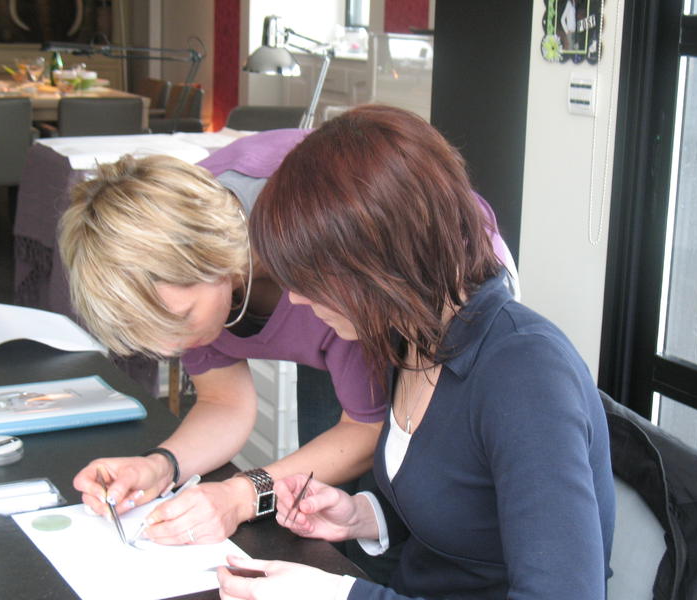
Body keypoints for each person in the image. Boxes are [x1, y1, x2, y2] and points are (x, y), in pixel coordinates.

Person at [217, 105, 615, 600]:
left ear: (382, 259)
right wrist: (361, 516)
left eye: (311, 278)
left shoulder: (526, 376)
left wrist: (338, 596)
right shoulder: (409, 340)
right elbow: (461, 514)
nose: (295, 299)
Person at [57, 127, 520, 548]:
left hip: (423, 287)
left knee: (409, 490)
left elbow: (364, 427)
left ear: (212, 259)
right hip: (337, 308)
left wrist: (241, 496)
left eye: (179, 319)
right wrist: (160, 466)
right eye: (149, 334)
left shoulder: (320, 252)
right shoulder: (166, 247)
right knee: (319, 504)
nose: (169, 347)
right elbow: (225, 402)